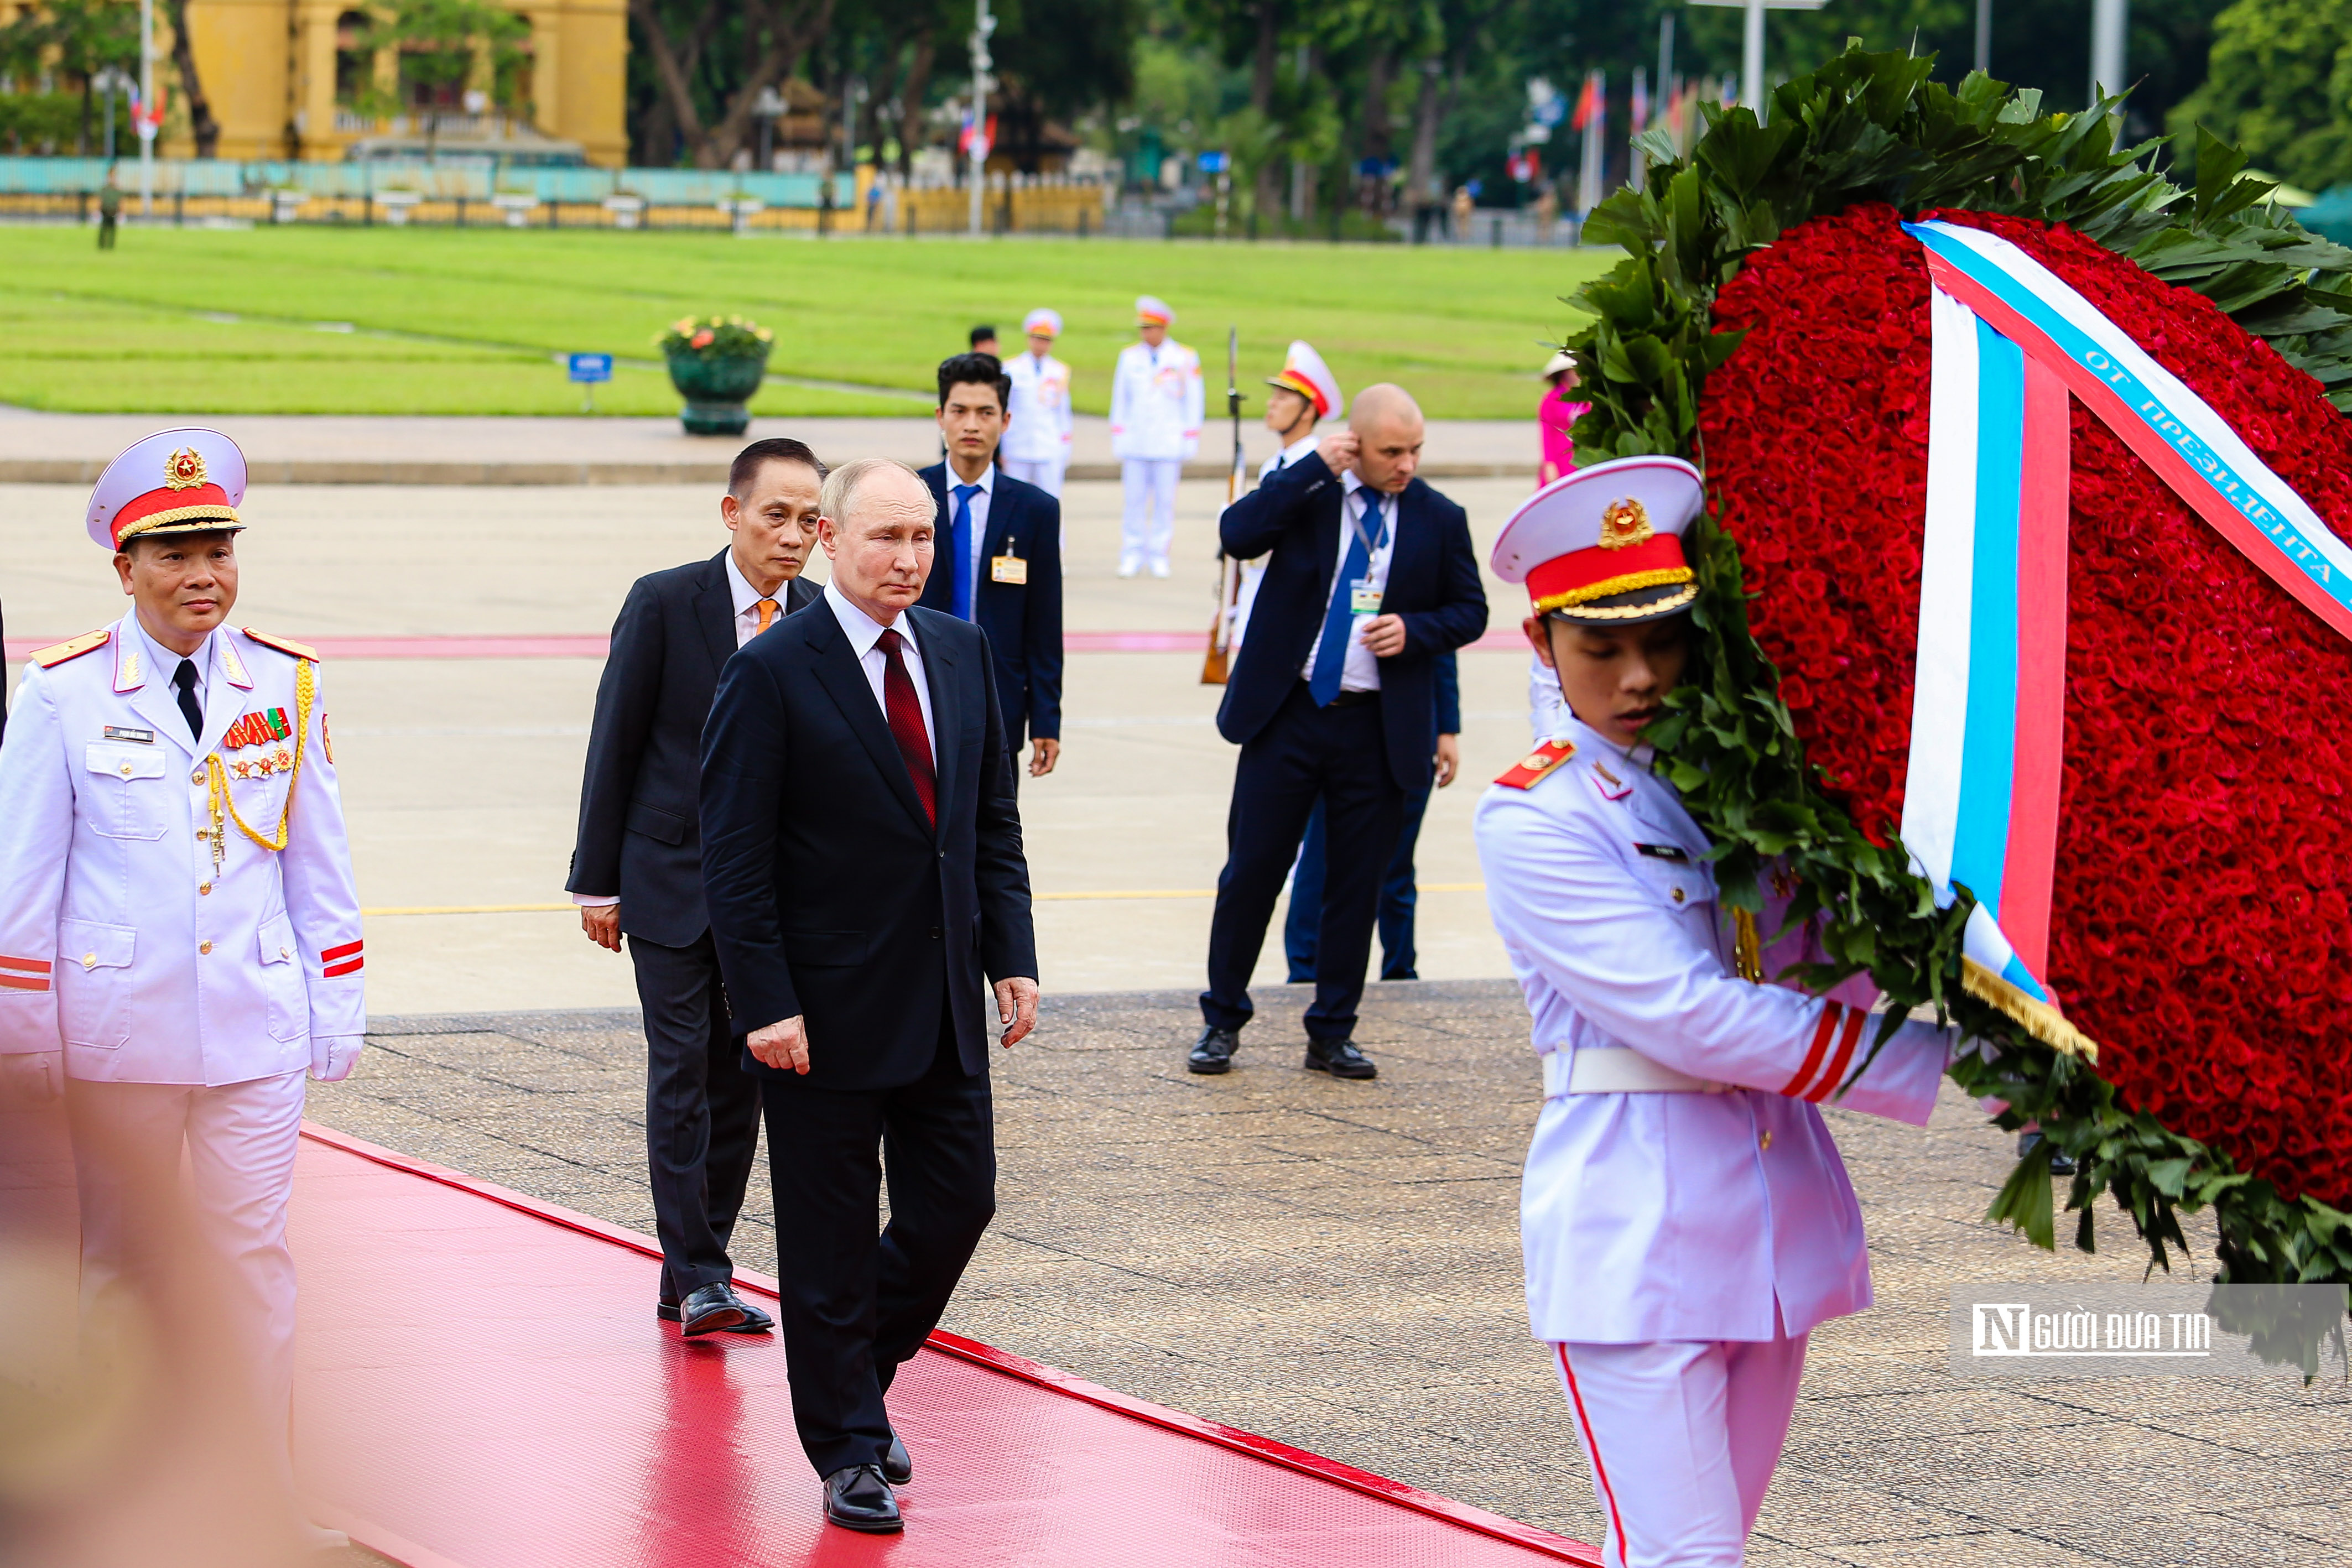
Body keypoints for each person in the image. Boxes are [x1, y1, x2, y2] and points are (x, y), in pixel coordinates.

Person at [1474, 456, 1955, 1568]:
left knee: (1687, 1547)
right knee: (1687, 1558)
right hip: (1633, 1233)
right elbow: (1690, 1018)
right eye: (1601, 646)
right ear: (1541, 643)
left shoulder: (1726, 787)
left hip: (1767, 1221)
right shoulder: (1538, 816)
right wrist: (1951, 1057)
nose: (1638, 674)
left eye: (1664, 638)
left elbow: (1810, 973)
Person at [0, 427, 365, 1553]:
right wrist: (25, 1037)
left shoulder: (285, 679)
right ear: (124, 566)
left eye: (217, 547)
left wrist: (334, 997)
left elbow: (320, 858)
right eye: (174, 552)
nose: (203, 573)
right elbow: (26, 879)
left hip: (254, 1028)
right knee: (119, 1265)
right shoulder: (62, 692)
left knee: (253, 1266)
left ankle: (260, 1489)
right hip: (117, 1033)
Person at [699, 457, 1039, 1536]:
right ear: (831, 540)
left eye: (923, 538)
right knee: (830, 1235)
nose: (907, 558)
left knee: (958, 1202)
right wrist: (764, 1000)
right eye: (885, 537)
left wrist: (1011, 956)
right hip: (819, 1012)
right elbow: (736, 857)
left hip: (940, 997)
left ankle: (853, 1370)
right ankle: (846, 1443)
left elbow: (989, 824)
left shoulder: (961, 648)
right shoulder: (772, 670)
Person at [567, 437, 826, 1338]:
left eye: (809, 522)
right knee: (680, 1073)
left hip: (769, 901)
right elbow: (617, 743)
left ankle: (691, 1271)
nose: (793, 538)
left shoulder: (821, 618)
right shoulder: (665, 603)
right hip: (667, 878)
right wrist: (596, 883)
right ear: (732, 514)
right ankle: (706, 1274)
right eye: (775, 517)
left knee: (743, 1079)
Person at [1191, 384, 1486, 1080]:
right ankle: (1221, 1020)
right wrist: (1310, 469)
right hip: (1288, 713)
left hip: (1375, 725)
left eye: (1416, 450)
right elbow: (1236, 535)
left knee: (1356, 885)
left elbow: (1469, 610)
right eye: (1391, 451)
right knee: (1252, 873)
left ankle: (1332, 1030)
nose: (1406, 464)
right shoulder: (1309, 496)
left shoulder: (1438, 517)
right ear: (1354, 443)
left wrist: (1416, 631)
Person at [918, 353, 1065, 784]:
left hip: (997, 697)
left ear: (1006, 420)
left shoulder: (1036, 510)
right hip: (918, 687)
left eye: (986, 413)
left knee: (995, 838)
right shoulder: (907, 495)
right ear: (940, 416)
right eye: (959, 411)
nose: (972, 425)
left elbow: (1044, 623)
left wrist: (1046, 719)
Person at [1283, 654, 1458, 982]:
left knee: (1398, 859)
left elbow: (1441, 649)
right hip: (1335, 725)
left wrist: (1447, 728)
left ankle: (1400, 969)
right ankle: (1304, 971)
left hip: (1410, 727)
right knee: (1321, 854)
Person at [1226, 340, 1343, 663]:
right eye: (1273, 396)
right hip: (1257, 595)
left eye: (1283, 398)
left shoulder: (1317, 470)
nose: (1271, 404)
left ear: (1309, 410)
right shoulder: (1274, 465)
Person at [1107, 295, 1201, 578]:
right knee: (1134, 500)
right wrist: (1119, 435)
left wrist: (1190, 437)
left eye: (1151, 328)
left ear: (1164, 328)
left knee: (1165, 501)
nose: (1146, 333)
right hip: (1136, 440)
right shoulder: (1129, 357)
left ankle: (1159, 553)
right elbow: (1120, 400)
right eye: (1143, 328)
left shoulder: (1184, 358)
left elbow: (1194, 400)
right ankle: (1132, 553)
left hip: (1168, 440)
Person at [1001, 308, 1074, 499]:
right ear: (1029, 338)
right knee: (1014, 500)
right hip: (1017, 445)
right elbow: (1004, 408)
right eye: (1037, 339)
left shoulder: (1059, 370)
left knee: (1050, 500)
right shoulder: (1011, 368)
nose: (1041, 344)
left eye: (1046, 340)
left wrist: (1064, 447)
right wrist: (1001, 445)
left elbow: (1063, 412)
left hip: (1048, 445)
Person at [1539, 349, 1591, 488]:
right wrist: (1549, 463)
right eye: (1574, 370)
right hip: (1560, 458)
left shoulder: (1585, 398)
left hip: (1581, 459)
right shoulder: (1552, 399)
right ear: (1564, 373)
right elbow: (1546, 433)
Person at [98, 167, 121, 250]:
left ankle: (110, 246)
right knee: (104, 230)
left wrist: (121, 212)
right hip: (105, 211)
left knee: (112, 230)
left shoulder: (117, 190)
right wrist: (97, 211)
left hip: (114, 211)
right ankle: (102, 245)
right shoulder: (105, 189)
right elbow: (100, 201)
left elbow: (121, 201)